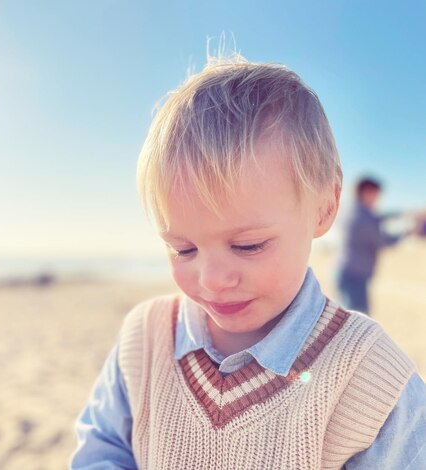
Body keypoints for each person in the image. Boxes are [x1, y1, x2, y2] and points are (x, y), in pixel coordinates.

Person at [71, 57, 425, 469]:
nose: (212, 279)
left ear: (325, 207)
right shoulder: (144, 340)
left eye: (249, 245)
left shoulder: (369, 374)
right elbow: (103, 445)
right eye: (183, 249)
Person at [335, 178, 408, 315]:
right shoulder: (363, 217)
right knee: (359, 320)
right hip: (355, 276)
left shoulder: (353, 210)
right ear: (366, 192)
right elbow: (383, 241)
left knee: (350, 320)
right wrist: (405, 233)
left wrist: (394, 214)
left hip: (348, 272)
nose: (377, 199)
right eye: (375, 194)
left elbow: (374, 218)